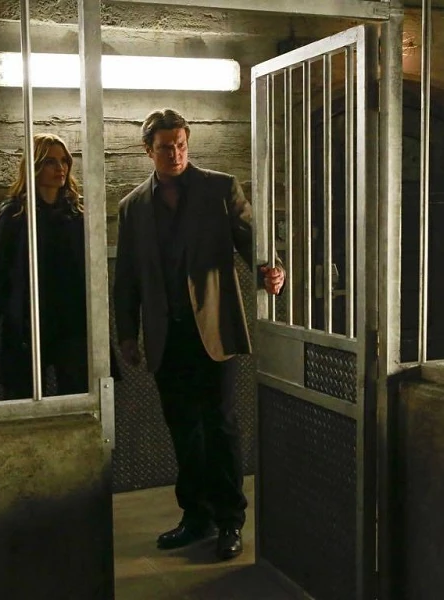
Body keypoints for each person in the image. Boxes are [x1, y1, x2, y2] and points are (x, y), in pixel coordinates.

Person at [114, 108, 285, 561]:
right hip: (165, 334)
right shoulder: (132, 207)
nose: (175, 153)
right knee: (183, 429)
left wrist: (271, 270)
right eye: (165, 147)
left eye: (180, 145)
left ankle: (230, 520)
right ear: (148, 150)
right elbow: (126, 275)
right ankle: (196, 516)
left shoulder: (219, 188)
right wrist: (127, 333)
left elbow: (252, 241)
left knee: (221, 425)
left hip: (213, 330)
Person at [0, 133, 89, 399]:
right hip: (27, 320)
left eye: (64, 161)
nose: (60, 168)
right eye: (51, 162)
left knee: (77, 400)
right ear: (35, 165)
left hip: (69, 319)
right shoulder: (15, 213)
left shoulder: (76, 213)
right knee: (24, 401)